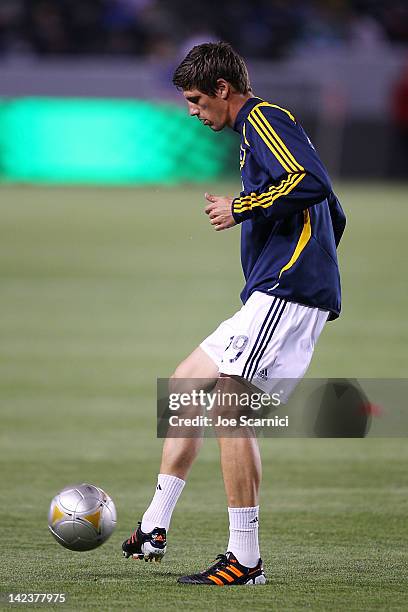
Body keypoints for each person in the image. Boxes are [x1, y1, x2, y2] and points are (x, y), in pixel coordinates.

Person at [122, 41, 346, 586]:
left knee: (228, 411)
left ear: (224, 89)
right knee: (183, 384)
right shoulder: (255, 133)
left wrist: (243, 210)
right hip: (276, 290)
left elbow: (314, 184)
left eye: (198, 100)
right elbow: (333, 212)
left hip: (285, 292)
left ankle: (245, 558)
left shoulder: (265, 118)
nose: (193, 111)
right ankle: (155, 525)